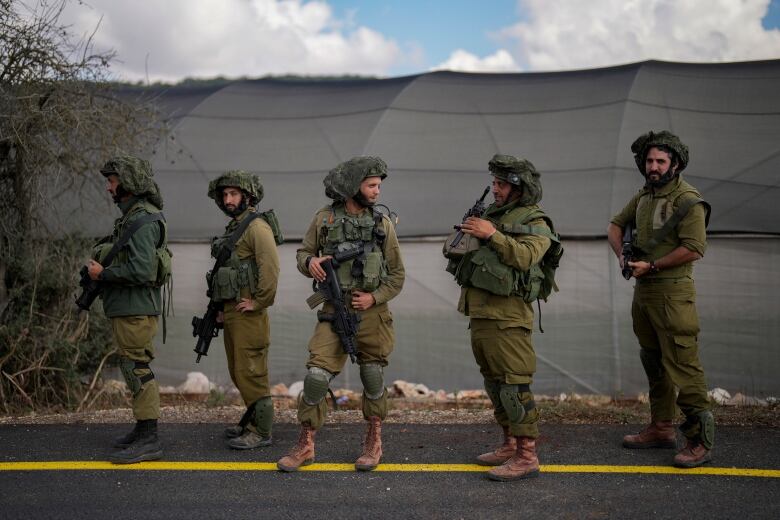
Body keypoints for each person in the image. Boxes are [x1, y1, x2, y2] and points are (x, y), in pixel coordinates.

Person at [277, 156, 404, 472]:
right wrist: (311, 264)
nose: (377, 192)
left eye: (378, 186)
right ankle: (306, 444)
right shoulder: (323, 219)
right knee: (316, 377)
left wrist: (374, 297)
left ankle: (374, 440)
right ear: (352, 187)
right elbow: (303, 253)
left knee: (372, 376)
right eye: (371, 185)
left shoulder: (382, 224)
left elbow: (397, 275)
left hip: (372, 314)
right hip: (333, 310)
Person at [447, 154, 557, 482]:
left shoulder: (535, 220)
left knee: (513, 384)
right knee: (494, 383)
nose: (495, 189)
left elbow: (525, 257)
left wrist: (490, 233)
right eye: (493, 183)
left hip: (508, 317)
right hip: (481, 312)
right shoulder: (493, 213)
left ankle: (527, 455)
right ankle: (510, 443)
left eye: (501, 184)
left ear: (518, 188)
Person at [608, 130, 714, 468]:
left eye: (660, 161)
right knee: (653, 361)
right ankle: (662, 427)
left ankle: (699, 440)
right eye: (649, 161)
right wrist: (623, 258)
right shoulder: (644, 196)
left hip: (673, 294)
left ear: (676, 163)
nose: (653, 166)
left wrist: (652, 264)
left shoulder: (688, 200)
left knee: (683, 364)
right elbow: (614, 226)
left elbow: (694, 248)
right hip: (645, 294)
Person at [87, 155, 170, 464]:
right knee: (131, 366)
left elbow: (143, 270)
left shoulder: (143, 219)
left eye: (112, 181)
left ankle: (150, 438)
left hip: (136, 310)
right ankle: (142, 428)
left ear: (128, 183)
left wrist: (103, 275)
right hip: (128, 308)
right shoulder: (132, 215)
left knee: (138, 368)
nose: (109, 188)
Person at [206, 170, 281, 450]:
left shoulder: (256, 227)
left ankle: (261, 431)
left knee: (251, 371)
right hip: (234, 311)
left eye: (233, 194)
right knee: (239, 370)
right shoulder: (236, 227)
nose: (227, 199)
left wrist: (259, 302)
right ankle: (251, 419)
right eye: (225, 194)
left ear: (247, 196)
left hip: (250, 313)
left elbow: (270, 269)